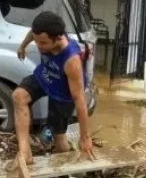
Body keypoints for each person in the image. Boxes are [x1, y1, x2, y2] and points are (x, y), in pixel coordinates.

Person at [14, 11, 96, 165]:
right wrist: (22, 46)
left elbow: (79, 99)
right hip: (46, 77)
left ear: (58, 38)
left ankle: (64, 167)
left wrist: (85, 137)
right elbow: (33, 33)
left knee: (59, 138)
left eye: (43, 43)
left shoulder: (71, 60)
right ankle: (25, 152)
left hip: (63, 94)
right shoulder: (43, 33)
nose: (39, 46)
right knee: (19, 96)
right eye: (37, 42)